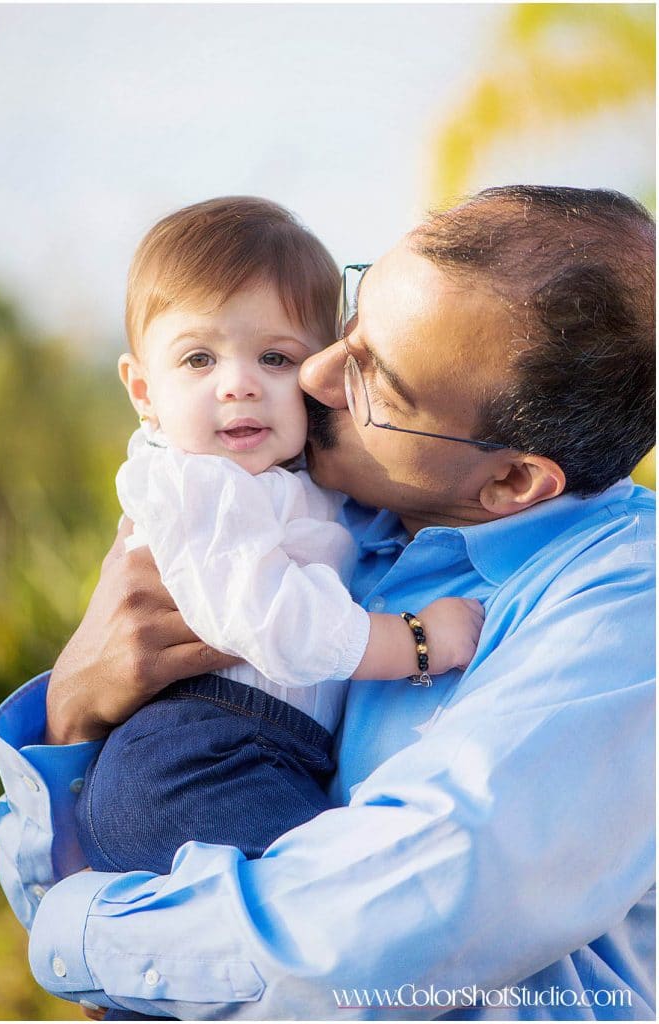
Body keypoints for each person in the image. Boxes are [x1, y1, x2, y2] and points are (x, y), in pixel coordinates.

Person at [0, 185, 655, 1021]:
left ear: (512, 480)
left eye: (378, 381)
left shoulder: (626, 609)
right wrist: (75, 708)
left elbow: (375, 925)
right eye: (353, 325)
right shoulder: (347, 520)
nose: (311, 374)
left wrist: (77, 934)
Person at [76, 197, 482, 875]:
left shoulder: (292, 480)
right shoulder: (195, 485)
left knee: (339, 912)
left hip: (252, 751)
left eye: (273, 357)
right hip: (195, 762)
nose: (238, 385)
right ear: (143, 391)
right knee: (358, 893)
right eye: (199, 359)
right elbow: (274, 620)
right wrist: (415, 641)